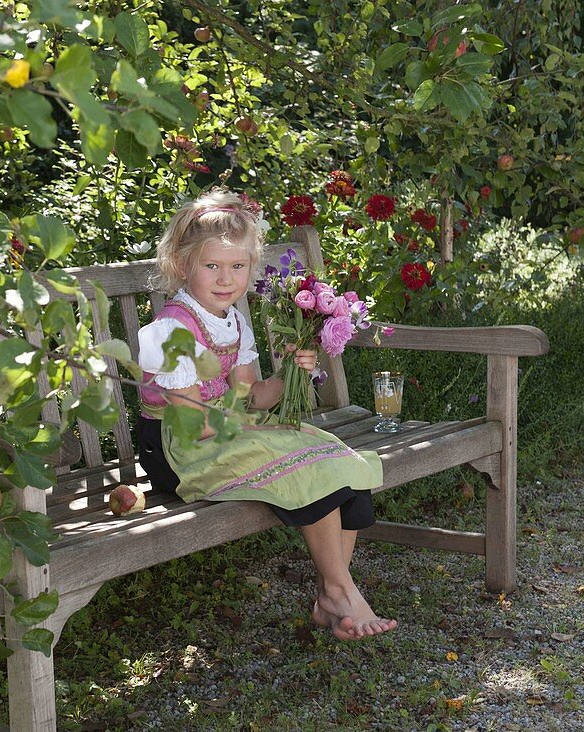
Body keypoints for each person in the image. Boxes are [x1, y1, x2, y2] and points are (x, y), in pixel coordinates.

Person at [136, 188, 396, 640]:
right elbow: (194, 425)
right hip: (178, 448)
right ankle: (338, 592)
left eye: (237, 267)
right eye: (211, 266)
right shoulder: (172, 330)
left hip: (225, 429)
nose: (225, 279)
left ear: (250, 268)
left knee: (340, 461)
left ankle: (332, 596)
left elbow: (251, 396)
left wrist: (289, 372)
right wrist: (258, 429)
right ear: (183, 266)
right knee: (306, 467)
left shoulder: (233, 321)